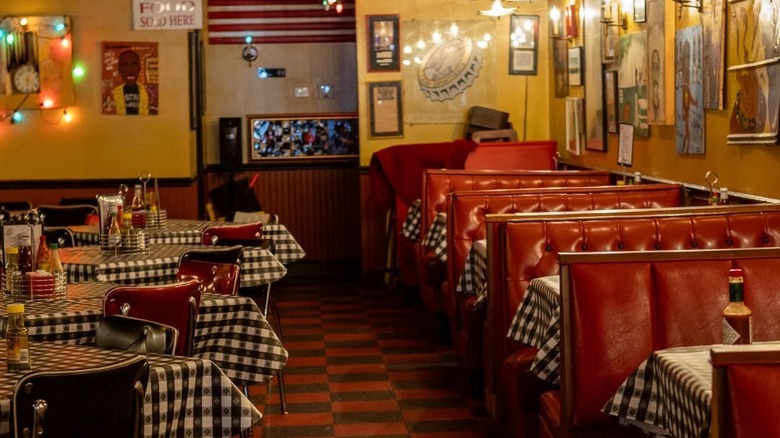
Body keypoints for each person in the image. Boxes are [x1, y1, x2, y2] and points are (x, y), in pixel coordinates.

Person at [112, 50, 150, 115]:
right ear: (119, 68)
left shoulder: (148, 92)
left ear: (139, 68)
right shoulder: (112, 94)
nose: (130, 70)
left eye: (134, 64)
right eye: (125, 65)